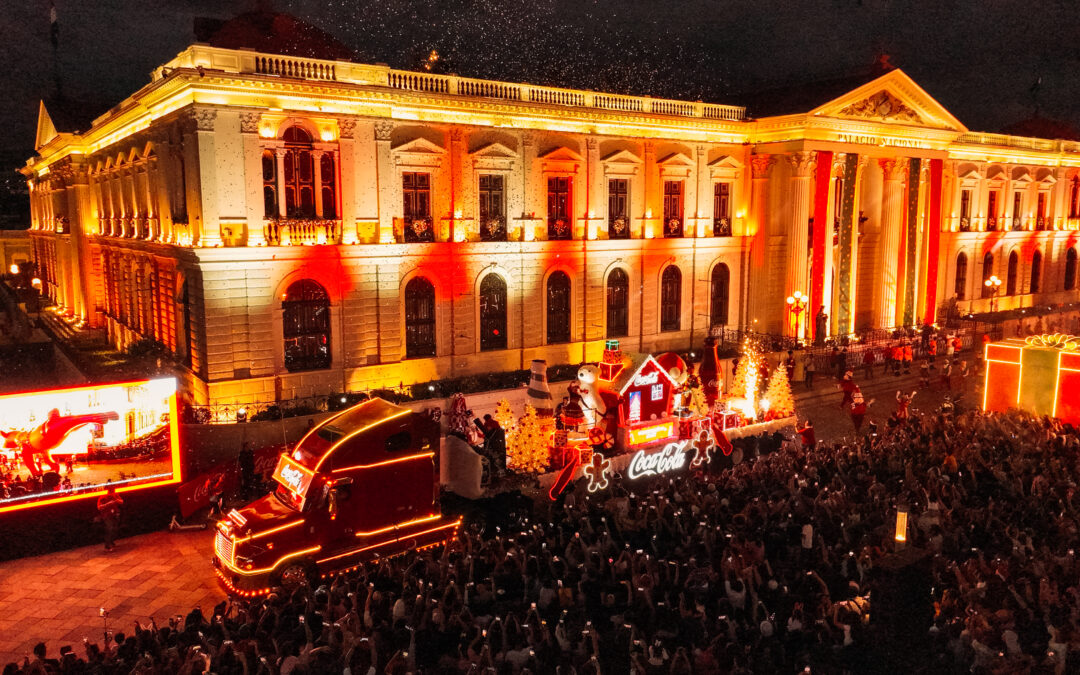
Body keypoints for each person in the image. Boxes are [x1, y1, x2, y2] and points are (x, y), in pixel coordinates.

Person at [97, 484, 123, 551]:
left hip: (114, 514)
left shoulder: (115, 495)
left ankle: (111, 541)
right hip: (107, 515)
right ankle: (107, 545)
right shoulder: (103, 497)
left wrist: (116, 500)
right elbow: (99, 507)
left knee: (115, 529)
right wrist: (108, 504)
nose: (112, 491)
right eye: (111, 490)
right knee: (110, 529)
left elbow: (121, 501)